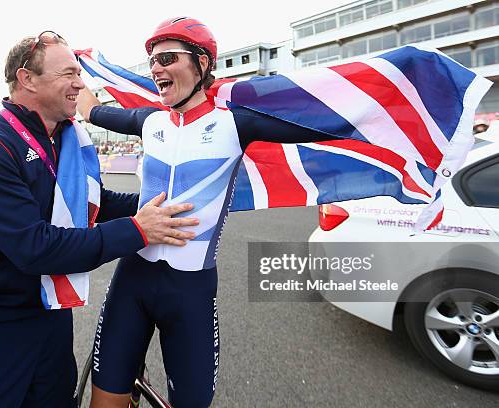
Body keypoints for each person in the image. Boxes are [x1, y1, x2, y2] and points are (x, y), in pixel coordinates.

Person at [77, 17, 340, 408]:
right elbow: (90, 109)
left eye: (167, 57)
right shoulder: (149, 121)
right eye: (151, 60)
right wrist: (74, 64)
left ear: (202, 64)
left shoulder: (235, 124)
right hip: (132, 280)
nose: (155, 68)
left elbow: (334, 122)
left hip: (190, 292)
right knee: (105, 402)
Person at [0, 31, 198, 407]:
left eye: (79, 73)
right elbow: (35, 248)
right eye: (68, 74)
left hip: (52, 315)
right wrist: (139, 230)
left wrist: (170, 201)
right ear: (27, 78)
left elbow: (97, 202)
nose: (80, 83)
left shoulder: (65, 136)